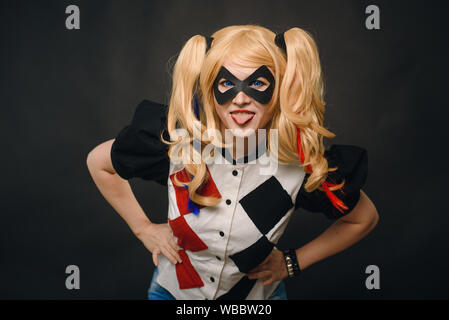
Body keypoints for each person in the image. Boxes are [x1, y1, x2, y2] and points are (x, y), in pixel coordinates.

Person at [86, 24, 379, 300]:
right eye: (227, 82)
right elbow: (99, 163)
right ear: (210, 90)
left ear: (281, 90)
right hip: (174, 293)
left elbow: (363, 218)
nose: (240, 98)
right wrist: (143, 228)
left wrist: (292, 263)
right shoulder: (177, 143)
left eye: (258, 82)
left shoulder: (301, 164)